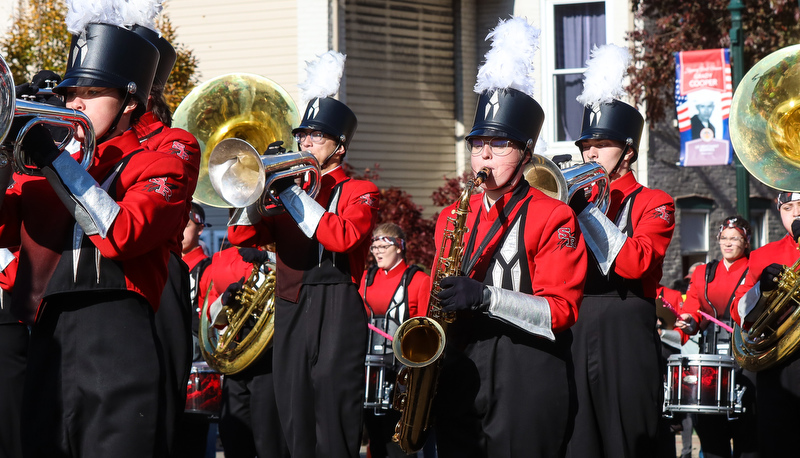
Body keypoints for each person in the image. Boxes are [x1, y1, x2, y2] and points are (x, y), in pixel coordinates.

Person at [0, 13, 199, 457]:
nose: (75, 104)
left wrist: (53, 158)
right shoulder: (54, 153)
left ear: (130, 100)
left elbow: (124, 232)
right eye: (71, 92)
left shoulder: (170, 148)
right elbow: (5, 227)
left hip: (118, 327)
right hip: (48, 329)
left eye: (92, 93)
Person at [427, 17, 586, 457]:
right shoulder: (450, 218)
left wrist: (485, 297)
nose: (484, 153)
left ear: (526, 154)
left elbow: (561, 311)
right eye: (478, 143)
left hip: (527, 366)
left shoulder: (554, 216)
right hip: (462, 363)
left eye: (499, 144)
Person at [228, 50, 379, 457]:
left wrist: (292, 192)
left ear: (340, 147)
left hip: (337, 302)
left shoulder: (359, 191)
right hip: (291, 301)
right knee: (292, 412)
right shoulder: (285, 192)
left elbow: (343, 237)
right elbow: (240, 233)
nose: (305, 141)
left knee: (334, 412)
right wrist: (256, 187)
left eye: (316, 136)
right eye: (302, 135)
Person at [566, 44, 676, 458]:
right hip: (576, 322)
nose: (589, 153)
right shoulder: (572, 200)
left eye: (602, 144)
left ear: (628, 151)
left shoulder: (655, 201)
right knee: (579, 441)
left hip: (626, 321)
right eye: (585, 145)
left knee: (628, 438)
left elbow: (635, 262)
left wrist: (586, 213)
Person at [675, 215, 758, 458]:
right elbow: (692, 311)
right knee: (712, 443)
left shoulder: (757, 269)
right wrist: (688, 322)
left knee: (749, 440)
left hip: (748, 363)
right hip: (711, 366)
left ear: (746, 242)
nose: (728, 243)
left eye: (735, 238)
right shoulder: (703, 272)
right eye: (724, 238)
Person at [198, 245, 290, 458]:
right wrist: (225, 301)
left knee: (270, 440)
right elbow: (212, 311)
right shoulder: (222, 257)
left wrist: (270, 257)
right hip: (236, 353)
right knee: (234, 436)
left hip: (272, 354)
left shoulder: (279, 243)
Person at [733, 192, 800, 456]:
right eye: (788, 207)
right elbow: (738, 311)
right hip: (779, 366)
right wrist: (762, 291)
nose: (796, 213)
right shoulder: (764, 255)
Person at [359, 223, 430, 458]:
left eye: (383, 246)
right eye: (374, 246)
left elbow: (427, 334)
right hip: (368, 374)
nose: (377, 251)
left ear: (399, 248)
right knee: (376, 441)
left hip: (401, 376)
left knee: (397, 444)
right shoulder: (366, 279)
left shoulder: (418, 280)